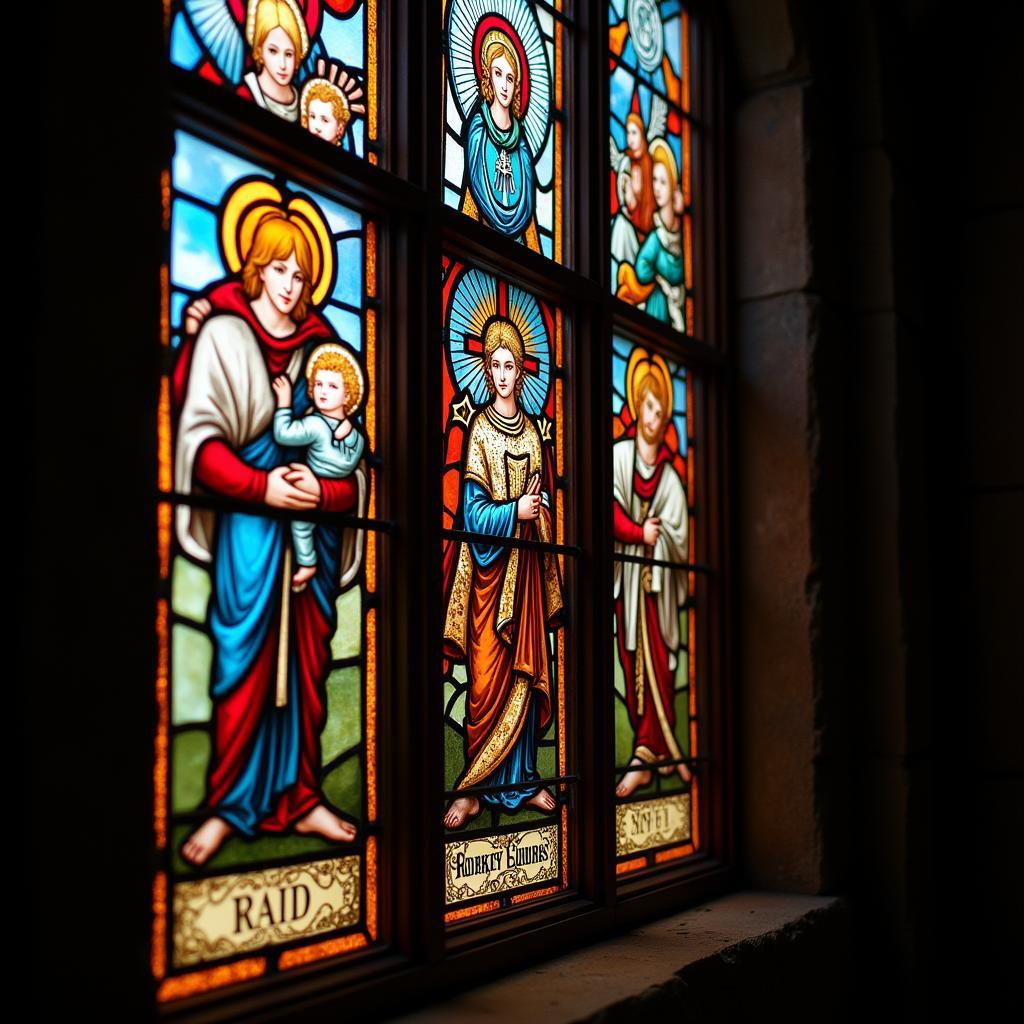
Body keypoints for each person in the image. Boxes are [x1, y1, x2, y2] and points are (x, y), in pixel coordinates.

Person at [174, 206, 366, 866]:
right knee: (243, 666)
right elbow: (198, 446)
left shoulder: (325, 350)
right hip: (248, 536)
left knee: (308, 673)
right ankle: (226, 804)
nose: (290, 283)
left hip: (312, 541)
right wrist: (263, 490)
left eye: (302, 273)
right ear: (255, 267)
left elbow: (353, 474)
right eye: (280, 269)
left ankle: (303, 794)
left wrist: (324, 493)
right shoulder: (224, 336)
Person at [442, 320, 564, 829]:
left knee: (526, 672)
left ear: (521, 370)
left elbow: (548, 509)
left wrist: (539, 513)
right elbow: (471, 514)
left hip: (528, 577)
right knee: (486, 681)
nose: (501, 375)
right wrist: (516, 509)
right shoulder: (481, 432)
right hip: (489, 578)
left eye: (510, 365)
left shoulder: (534, 432)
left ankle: (523, 779)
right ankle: (472, 788)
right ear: (486, 372)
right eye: (493, 366)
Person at [612, 356, 691, 797]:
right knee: (630, 665)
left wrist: (660, 543)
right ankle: (648, 752)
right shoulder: (619, 458)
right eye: (649, 408)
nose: (655, 419)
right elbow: (606, 511)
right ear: (636, 407)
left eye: (662, 413)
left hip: (658, 599)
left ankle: (649, 752)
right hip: (627, 588)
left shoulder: (673, 481)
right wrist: (641, 533)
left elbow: (680, 539)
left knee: (659, 668)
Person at [272, 344, 366, 590]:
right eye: (318, 385)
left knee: (300, 524)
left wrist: (283, 404)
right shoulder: (347, 431)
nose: (323, 391)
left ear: (348, 395)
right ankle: (308, 565)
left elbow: (283, 433)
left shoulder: (315, 425)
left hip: (321, 486)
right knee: (301, 523)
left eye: (332, 386)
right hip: (323, 488)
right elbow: (349, 460)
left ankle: (307, 563)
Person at [462, 30, 541, 250]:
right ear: (487, 76)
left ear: (517, 85)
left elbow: (526, 205)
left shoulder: (522, 146)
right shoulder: (477, 129)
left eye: (510, 78)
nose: (504, 86)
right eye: (498, 74)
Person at [615, 138, 686, 331]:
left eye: (663, 181)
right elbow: (642, 269)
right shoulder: (656, 237)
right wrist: (661, 280)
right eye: (654, 180)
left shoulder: (682, 239)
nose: (657, 187)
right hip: (658, 307)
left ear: (673, 185)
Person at [237, 0, 309, 122]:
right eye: (273, 51)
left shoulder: (306, 105)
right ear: (259, 50)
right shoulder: (245, 91)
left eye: (289, 54)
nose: (283, 65)